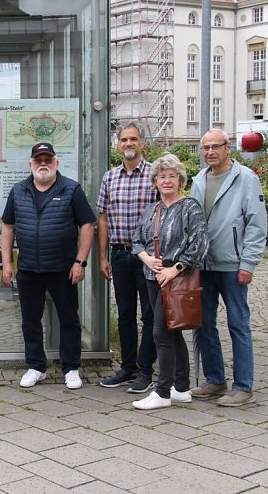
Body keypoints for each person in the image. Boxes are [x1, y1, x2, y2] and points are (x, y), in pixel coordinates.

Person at [1, 142, 96, 389]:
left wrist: (80, 261)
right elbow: (8, 226)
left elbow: (87, 225)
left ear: (56, 163)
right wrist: (8, 262)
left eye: (48, 159)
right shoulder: (19, 190)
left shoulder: (71, 189)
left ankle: (71, 367)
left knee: (69, 319)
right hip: (29, 268)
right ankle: (35, 366)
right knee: (30, 319)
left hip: (63, 268)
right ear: (31, 164)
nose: (43, 164)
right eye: (38, 160)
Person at [190, 130, 268, 407]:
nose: (209, 152)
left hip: (232, 265)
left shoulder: (245, 178)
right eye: (205, 147)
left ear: (228, 147)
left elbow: (257, 224)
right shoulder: (198, 180)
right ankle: (215, 380)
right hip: (203, 264)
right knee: (202, 324)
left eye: (215, 146)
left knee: (238, 324)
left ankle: (243, 386)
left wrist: (248, 263)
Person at [130, 154, 208, 410]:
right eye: (162, 176)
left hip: (176, 281)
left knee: (161, 333)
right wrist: (146, 259)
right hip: (153, 278)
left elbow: (200, 245)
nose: (166, 181)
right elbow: (137, 240)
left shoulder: (190, 207)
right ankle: (182, 388)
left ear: (180, 179)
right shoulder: (152, 209)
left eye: (171, 176)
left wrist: (174, 269)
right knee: (173, 333)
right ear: (155, 181)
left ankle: (162, 392)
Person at [96, 123, 159, 394]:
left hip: (148, 257)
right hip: (119, 255)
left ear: (142, 143)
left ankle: (146, 371)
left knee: (149, 314)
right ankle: (128, 368)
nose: (128, 143)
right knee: (124, 316)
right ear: (118, 144)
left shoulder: (155, 175)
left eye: (133, 139)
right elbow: (102, 218)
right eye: (124, 139)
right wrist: (102, 256)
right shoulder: (110, 177)